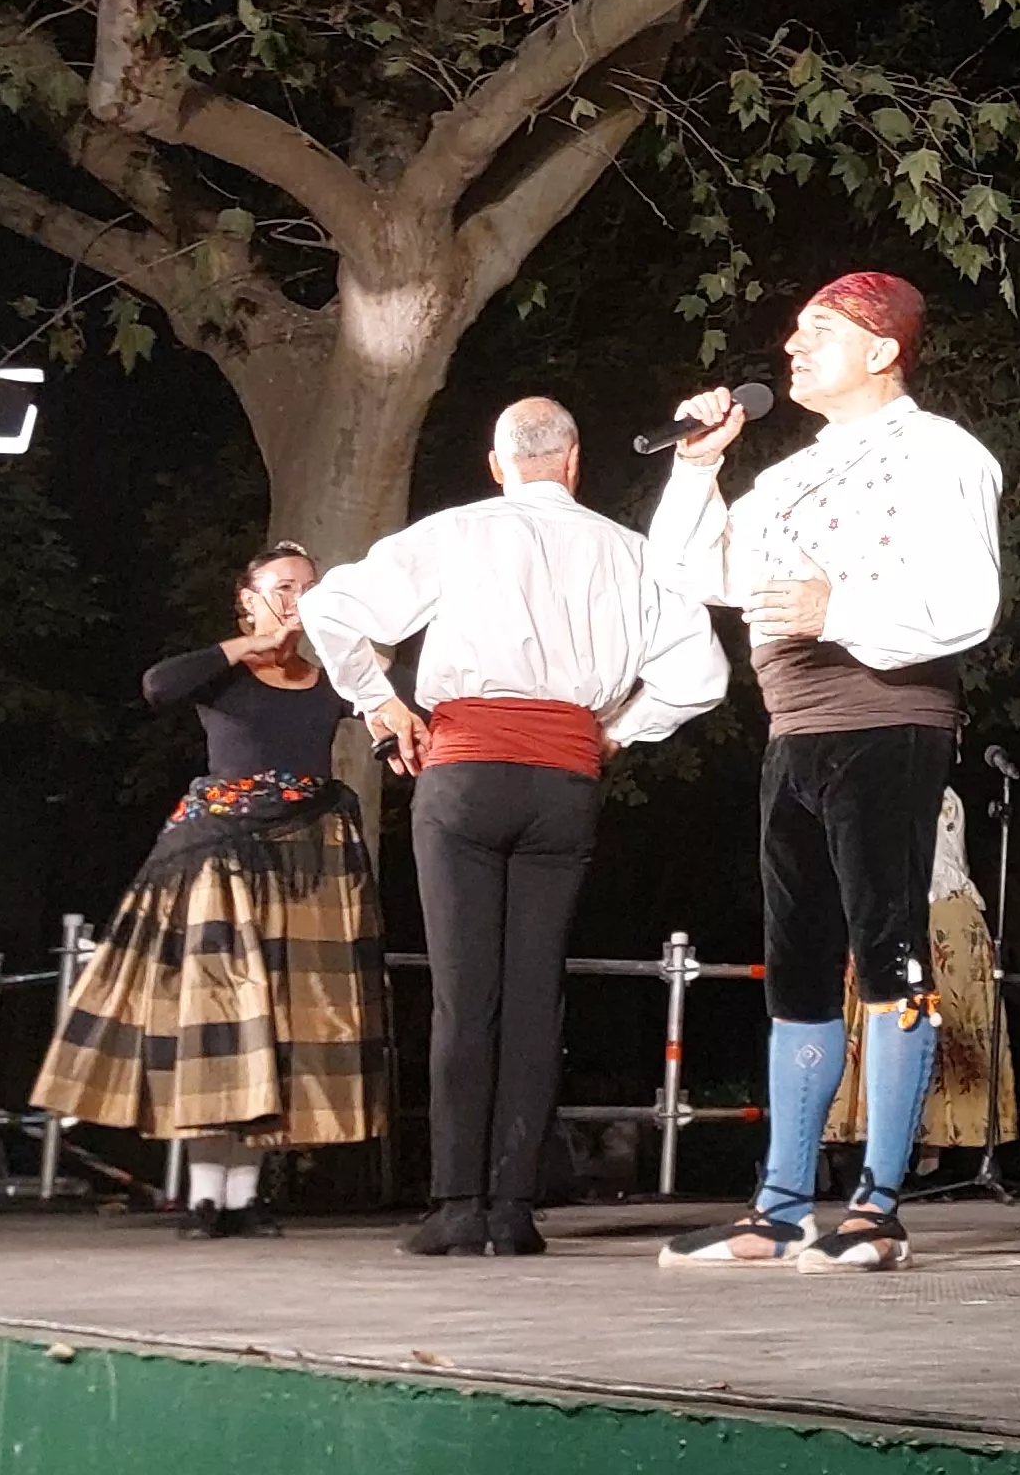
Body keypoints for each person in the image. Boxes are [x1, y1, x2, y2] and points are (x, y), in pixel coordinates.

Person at [301, 400, 724, 1257]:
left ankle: (458, 1204)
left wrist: (381, 702)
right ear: (574, 460)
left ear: (498, 466)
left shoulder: (460, 531)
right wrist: (617, 730)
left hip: (464, 770)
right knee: (536, 992)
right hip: (564, 777)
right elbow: (701, 676)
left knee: (466, 992)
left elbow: (331, 608)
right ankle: (514, 1208)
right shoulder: (632, 553)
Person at [648, 272, 1008, 1275]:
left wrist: (834, 608)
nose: (792, 347)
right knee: (798, 963)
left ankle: (878, 1208)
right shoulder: (787, 475)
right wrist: (696, 469)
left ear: (883, 350)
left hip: (885, 722)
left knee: (888, 953)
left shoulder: (944, 455)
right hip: (792, 731)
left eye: (820, 330)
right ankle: (777, 1209)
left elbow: (969, 606)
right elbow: (693, 573)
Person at [36, 543, 391, 1234]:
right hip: (219, 855)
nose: (298, 598)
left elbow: (395, 694)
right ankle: (205, 1196)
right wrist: (247, 644)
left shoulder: (329, 679)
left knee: (276, 1019)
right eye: (283, 587)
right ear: (248, 599)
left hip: (300, 861)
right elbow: (158, 685)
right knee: (219, 1017)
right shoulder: (222, 675)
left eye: (308, 587)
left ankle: (243, 1197)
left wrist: (353, 644)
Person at [829, 785, 1014, 1162]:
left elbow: (951, 862)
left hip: (943, 912)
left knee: (944, 1029)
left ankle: (933, 1146)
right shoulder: (873, 788)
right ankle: (889, 1146)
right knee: (895, 1024)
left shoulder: (944, 794)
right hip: (897, 914)